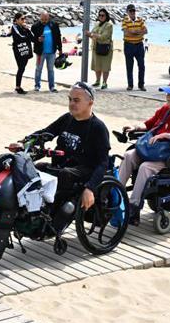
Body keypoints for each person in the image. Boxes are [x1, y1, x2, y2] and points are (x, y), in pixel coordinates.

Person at [8, 82, 110, 225]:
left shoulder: (98, 128)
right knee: (34, 169)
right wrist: (24, 143)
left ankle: (52, 217)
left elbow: (103, 162)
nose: (71, 104)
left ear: (90, 102)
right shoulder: (67, 119)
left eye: (76, 100)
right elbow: (46, 133)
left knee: (63, 174)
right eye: (70, 99)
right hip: (62, 167)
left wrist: (90, 188)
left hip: (84, 170)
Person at [116, 81, 170, 220]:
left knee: (145, 167)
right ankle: (115, 194)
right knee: (129, 155)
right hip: (155, 151)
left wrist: (169, 135)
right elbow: (150, 123)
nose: (168, 96)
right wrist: (136, 127)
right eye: (167, 93)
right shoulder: (165, 110)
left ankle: (134, 207)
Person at [31, 12, 62, 93]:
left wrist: (60, 49)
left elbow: (58, 37)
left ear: (48, 18)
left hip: (52, 51)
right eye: (42, 19)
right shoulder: (35, 26)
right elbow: (32, 38)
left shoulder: (54, 25)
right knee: (38, 69)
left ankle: (52, 87)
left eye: (45, 19)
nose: (44, 21)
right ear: (40, 18)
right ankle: (37, 86)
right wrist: (38, 39)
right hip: (40, 52)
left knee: (51, 70)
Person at [120, 4, 147, 91]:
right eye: (130, 11)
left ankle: (141, 84)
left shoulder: (140, 20)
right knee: (129, 66)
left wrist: (133, 31)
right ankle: (130, 85)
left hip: (139, 45)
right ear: (127, 12)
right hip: (129, 45)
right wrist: (138, 31)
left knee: (141, 66)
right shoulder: (125, 20)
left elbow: (146, 31)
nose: (132, 13)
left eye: (133, 11)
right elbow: (126, 33)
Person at [9, 12, 34, 94]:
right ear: (16, 20)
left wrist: (27, 30)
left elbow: (32, 38)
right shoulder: (14, 27)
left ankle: (18, 87)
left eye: (24, 19)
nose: (24, 20)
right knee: (21, 68)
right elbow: (19, 37)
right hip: (18, 50)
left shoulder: (24, 27)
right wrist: (27, 35)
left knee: (22, 68)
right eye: (22, 19)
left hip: (26, 50)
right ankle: (17, 87)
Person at [90, 9, 114, 89]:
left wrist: (93, 35)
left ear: (106, 16)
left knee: (105, 66)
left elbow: (104, 36)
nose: (101, 17)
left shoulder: (109, 25)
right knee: (97, 65)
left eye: (103, 15)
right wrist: (93, 35)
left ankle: (104, 82)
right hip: (96, 47)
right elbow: (91, 33)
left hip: (105, 48)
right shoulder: (96, 24)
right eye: (100, 15)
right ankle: (97, 81)